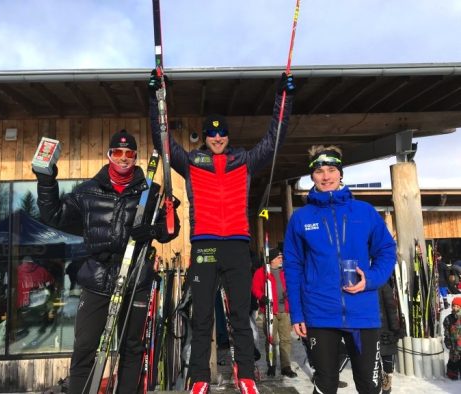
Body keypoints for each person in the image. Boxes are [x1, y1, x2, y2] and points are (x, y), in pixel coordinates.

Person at [148, 70, 295, 394]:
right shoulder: (191, 162)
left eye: (222, 135)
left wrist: (283, 99)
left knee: (240, 316)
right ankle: (200, 377)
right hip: (205, 246)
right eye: (212, 135)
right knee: (202, 316)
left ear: (228, 138)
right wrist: (156, 98)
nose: (217, 139)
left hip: (236, 246)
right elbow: (163, 141)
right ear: (205, 137)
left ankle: (246, 374)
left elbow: (274, 140)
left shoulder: (244, 161)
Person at [34, 129, 180, 394]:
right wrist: (46, 180)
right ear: (109, 155)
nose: (123, 158)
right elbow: (54, 216)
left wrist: (153, 230)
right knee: (86, 346)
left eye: (129, 154)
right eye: (118, 153)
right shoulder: (88, 191)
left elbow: (170, 230)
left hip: (135, 277)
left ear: (135, 158)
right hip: (97, 276)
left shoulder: (151, 192)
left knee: (131, 346)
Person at [283, 145, 396, 394]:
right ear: (311, 176)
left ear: (340, 173)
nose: (326, 176)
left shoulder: (364, 212)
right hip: (320, 312)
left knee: (369, 384)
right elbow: (292, 267)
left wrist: (372, 279)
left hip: (362, 310)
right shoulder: (301, 219)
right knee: (325, 384)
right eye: (320, 171)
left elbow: (387, 251)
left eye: (332, 170)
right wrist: (297, 314)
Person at [251, 247, 296, 378]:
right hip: (270, 312)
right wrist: (261, 297)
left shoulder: (285, 272)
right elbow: (254, 288)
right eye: (278, 258)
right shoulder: (262, 272)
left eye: (282, 257)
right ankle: (271, 365)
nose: (281, 259)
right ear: (271, 260)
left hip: (285, 311)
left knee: (286, 340)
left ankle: (286, 366)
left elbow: (292, 285)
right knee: (271, 340)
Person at [378, 281, 403, 394]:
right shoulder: (384, 285)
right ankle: (384, 384)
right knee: (385, 358)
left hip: (376, 329)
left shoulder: (376, 284)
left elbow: (390, 308)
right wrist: (396, 329)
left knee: (378, 357)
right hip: (384, 329)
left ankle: (382, 382)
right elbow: (391, 309)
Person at [443, 296, 461, 380]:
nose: (455, 308)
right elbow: (446, 331)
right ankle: (452, 372)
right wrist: (447, 340)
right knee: (454, 357)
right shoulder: (448, 319)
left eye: (457, 306)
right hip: (454, 343)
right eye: (454, 306)